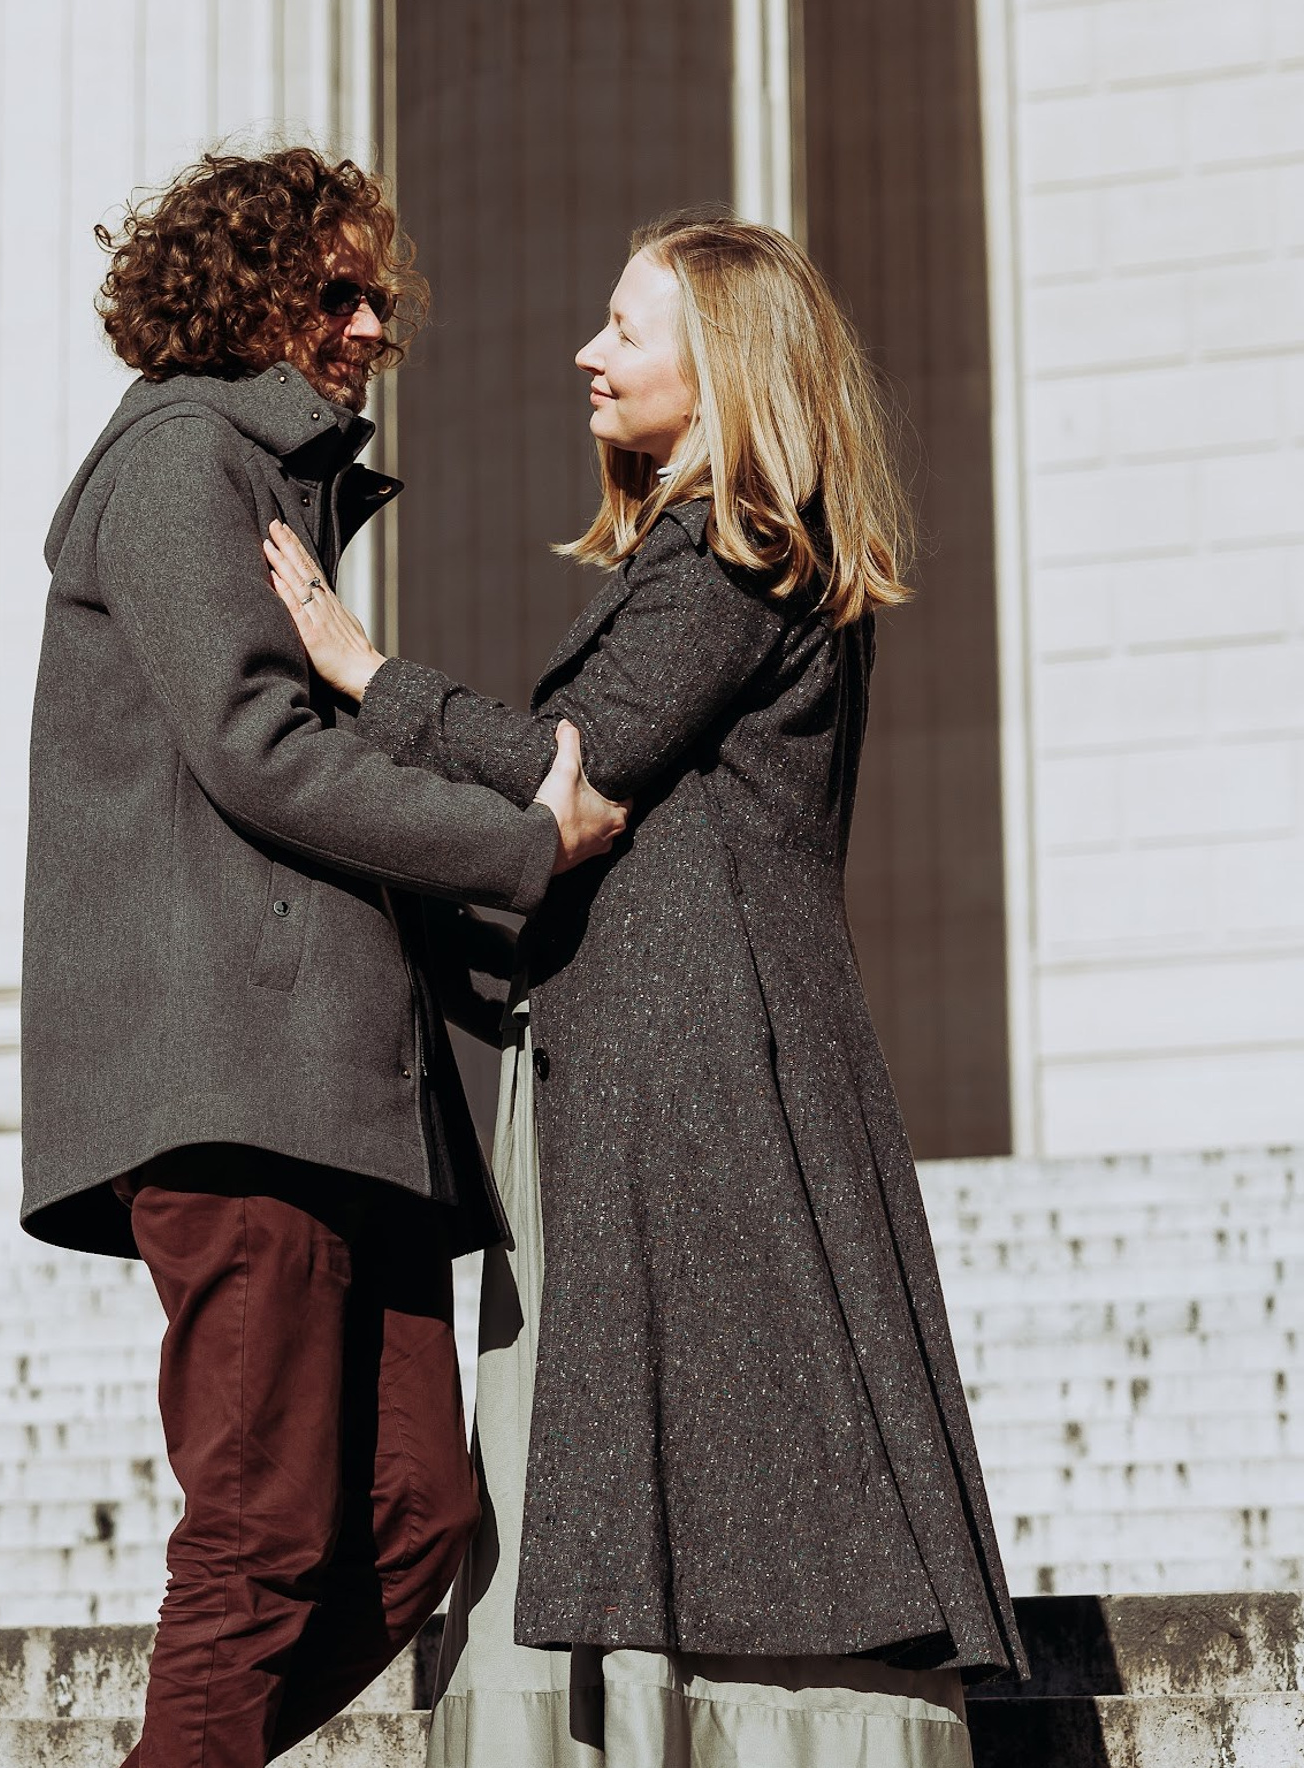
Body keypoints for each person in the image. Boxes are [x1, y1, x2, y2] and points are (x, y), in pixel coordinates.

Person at [264, 213, 1028, 1767]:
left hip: (708, 1064)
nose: (587, 354)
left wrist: (359, 671)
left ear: (725, 365)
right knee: (653, 1427)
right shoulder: (718, 551)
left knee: (730, 1426)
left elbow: (582, 766)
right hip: (656, 1049)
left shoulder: (743, 543)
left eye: (627, 329)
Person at [18, 145, 627, 1768]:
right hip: (235, 1088)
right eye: (333, 292)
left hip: (345, 1104)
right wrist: (520, 844)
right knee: (268, 1531)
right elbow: (258, 752)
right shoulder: (174, 463)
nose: (370, 327)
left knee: (419, 1517)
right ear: (238, 290)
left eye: (375, 297)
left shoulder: (262, 479)